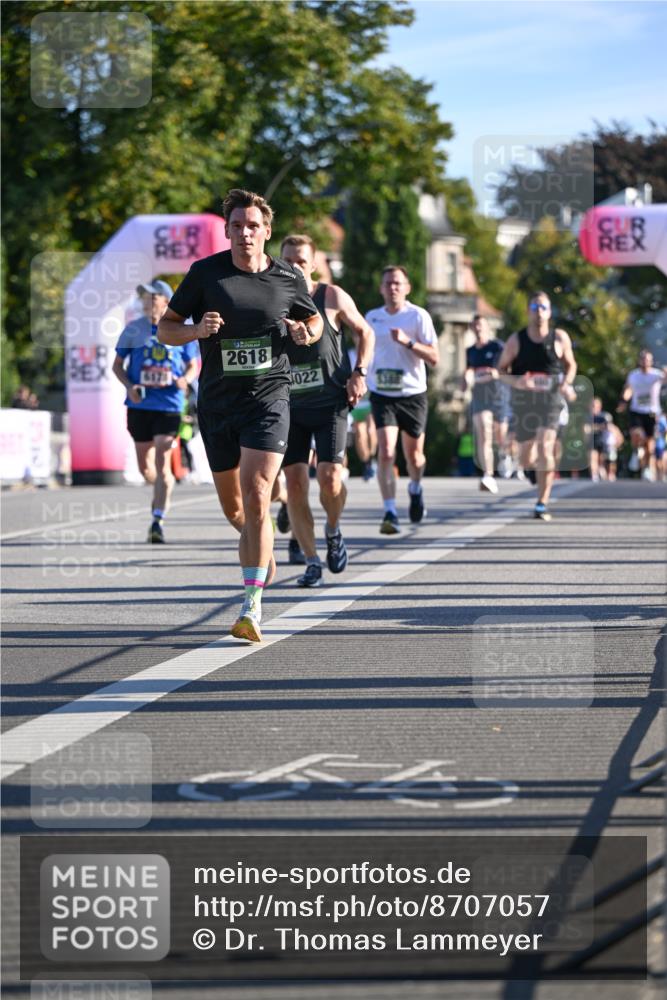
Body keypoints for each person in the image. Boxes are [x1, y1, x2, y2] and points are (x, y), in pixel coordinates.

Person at [158, 188, 322, 643]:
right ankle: (261, 546)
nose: (245, 233)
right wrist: (195, 329)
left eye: (253, 226)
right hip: (217, 405)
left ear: (266, 232)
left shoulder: (288, 278)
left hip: (269, 399)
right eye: (237, 226)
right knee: (237, 509)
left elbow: (315, 323)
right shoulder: (205, 274)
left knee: (256, 494)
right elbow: (165, 328)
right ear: (227, 230)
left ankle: (251, 606)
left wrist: (304, 334)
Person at [280, 234, 374, 587]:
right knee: (294, 483)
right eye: (288, 260)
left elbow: (366, 332)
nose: (295, 267)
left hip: (330, 401)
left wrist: (359, 372)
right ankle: (311, 561)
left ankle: (333, 529)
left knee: (331, 478)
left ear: (314, 264)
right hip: (289, 405)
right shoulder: (274, 298)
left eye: (302, 261)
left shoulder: (330, 296)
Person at [113, 280, 199, 542]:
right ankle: (159, 490)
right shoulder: (133, 330)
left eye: (153, 298)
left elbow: (192, 365)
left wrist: (185, 379)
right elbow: (118, 366)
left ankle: (157, 519)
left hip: (170, 404)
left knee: (163, 457)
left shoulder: (178, 330)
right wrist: (129, 386)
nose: (147, 302)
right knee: (145, 469)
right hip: (141, 405)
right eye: (144, 299)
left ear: (165, 301)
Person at [365, 266, 439, 534]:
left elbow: (435, 357)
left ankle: (415, 488)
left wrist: (408, 343)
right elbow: (364, 352)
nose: (393, 287)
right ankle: (390, 511)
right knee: (385, 451)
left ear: (407, 287)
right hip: (383, 394)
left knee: (415, 456)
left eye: (397, 283)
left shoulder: (418, 316)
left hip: (413, 394)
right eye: (388, 283)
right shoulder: (372, 318)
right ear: (381, 288)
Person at [497, 291, 577, 521]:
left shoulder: (560, 338)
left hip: (550, 401)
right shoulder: (516, 340)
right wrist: (517, 381)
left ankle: (542, 502)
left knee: (546, 447)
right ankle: (532, 470)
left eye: (543, 308)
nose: (539, 312)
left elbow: (571, 365)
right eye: (534, 308)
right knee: (525, 457)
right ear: (527, 311)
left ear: (550, 312)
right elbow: (501, 372)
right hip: (524, 402)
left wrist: (567, 382)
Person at [462, 315, 509, 494]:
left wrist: (497, 373)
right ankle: (488, 475)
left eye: (481, 325)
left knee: (500, 437)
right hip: (480, 397)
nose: (478, 328)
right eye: (475, 325)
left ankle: (505, 455)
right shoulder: (470, 351)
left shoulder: (498, 347)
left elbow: (509, 368)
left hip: (499, 396)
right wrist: (466, 380)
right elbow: (467, 371)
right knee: (483, 433)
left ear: (488, 327)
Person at [616, 349, 667, 481]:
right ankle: (635, 450)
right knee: (637, 434)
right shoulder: (633, 375)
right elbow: (628, 389)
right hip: (636, 410)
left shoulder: (656, 375)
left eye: (648, 360)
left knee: (650, 447)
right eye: (643, 359)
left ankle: (646, 468)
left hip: (652, 412)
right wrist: (623, 401)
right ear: (639, 361)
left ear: (651, 361)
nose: (645, 362)